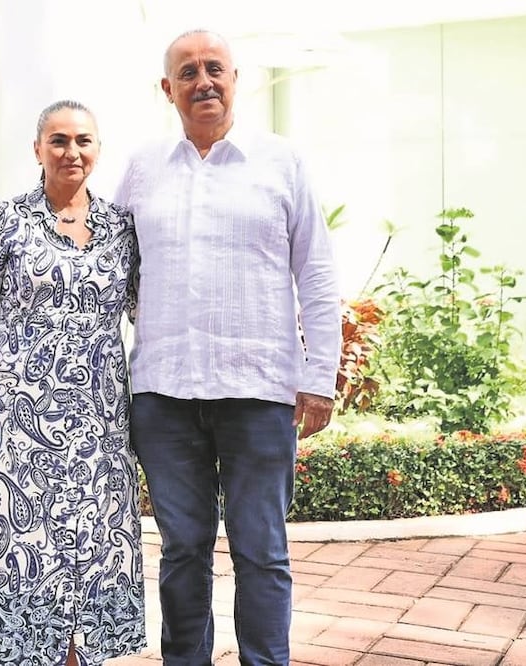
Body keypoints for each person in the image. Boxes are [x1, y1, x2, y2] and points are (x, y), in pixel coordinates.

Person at [114, 30, 341, 666]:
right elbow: (116, 272)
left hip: (258, 390)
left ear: (236, 79)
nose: (203, 81)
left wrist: (319, 375)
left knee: (261, 549)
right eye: (187, 72)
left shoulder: (281, 161)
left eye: (214, 68)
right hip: (165, 393)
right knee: (182, 549)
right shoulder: (141, 168)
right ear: (168, 89)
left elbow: (317, 273)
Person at [0, 100, 146, 666]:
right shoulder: (4, 221)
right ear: (37, 149)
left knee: (95, 542)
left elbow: (146, 308)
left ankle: (78, 655)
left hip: (101, 416)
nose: (72, 152)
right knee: (24, 544)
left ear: (98, 148)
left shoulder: (121, 227)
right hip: (19, 413)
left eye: (83, 140)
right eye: (59, 140)